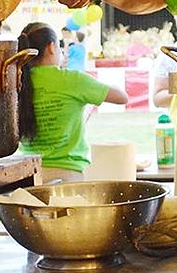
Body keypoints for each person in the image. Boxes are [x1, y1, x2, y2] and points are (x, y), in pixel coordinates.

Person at [16, 22, 128, 184]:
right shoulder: (72, 80)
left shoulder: (16, 82)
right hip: (67, 177)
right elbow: (122, 97)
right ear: (51, 47)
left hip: (27, 177)